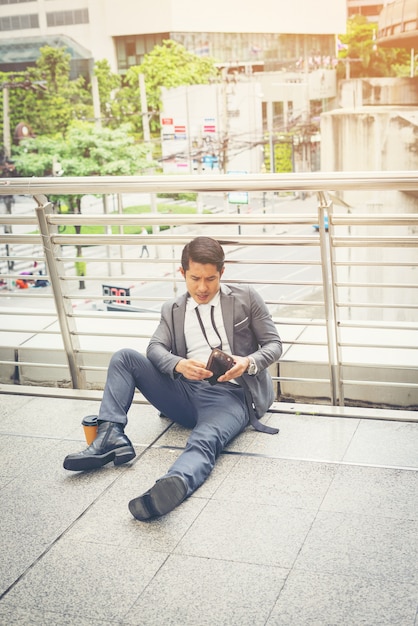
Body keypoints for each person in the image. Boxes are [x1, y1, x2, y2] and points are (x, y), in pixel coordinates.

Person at [63, 236, 282, 520]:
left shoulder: (246, 298)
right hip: (184, 392)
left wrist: (248, 362)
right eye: (194, 278)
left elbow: (274, 344)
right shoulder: (173, 309)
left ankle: (173, 485)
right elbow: (154, 348)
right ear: (182, 274)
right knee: (125, 357)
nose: (202, 287)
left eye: (210, 279)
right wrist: (178, 365)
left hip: (231, 397)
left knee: (205, 440)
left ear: (222, 272)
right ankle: (110, 436)